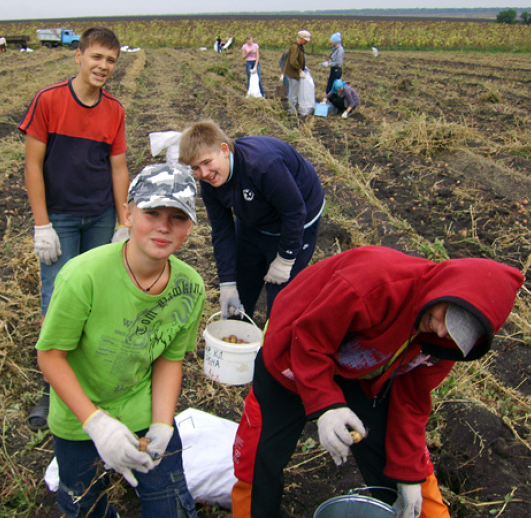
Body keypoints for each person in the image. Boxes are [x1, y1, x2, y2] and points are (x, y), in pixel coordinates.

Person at [230, 245, 524, 518]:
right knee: (262, 459)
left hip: (358, 370)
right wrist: (326, 405)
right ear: (445, 292)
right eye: (446, 316)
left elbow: (411, 403)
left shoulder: (441, 344)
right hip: (292, 352)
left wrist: (409, 476)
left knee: (393, 461)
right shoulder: (375, 282)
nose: (442, 332)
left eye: (456, 334)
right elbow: (308, 340)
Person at [36, 163, 205, 518]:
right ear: (127, 213)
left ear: (189, 227)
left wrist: (161, 423)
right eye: (152, 212)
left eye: (177, 217)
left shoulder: (190, 287)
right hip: (77, 412)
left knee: (171, 506)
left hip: (139, 405)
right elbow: (50, 357)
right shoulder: (83, 277)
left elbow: (169, 359)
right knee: (86, 507)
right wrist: (97, 424)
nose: (163, 226)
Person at [19, 27, 130, 432]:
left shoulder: (114, 110)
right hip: (61, 218)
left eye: (111, 61)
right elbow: (33, 164)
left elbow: (118, 167)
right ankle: (54, 392)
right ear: (79, 56)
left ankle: (90, 379)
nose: (103, 66)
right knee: (58, 297)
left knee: (96, 296)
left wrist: (123, 221)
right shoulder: (49, 100)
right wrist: (42, 224)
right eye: (97, 57)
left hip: (99, 215)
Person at [178, 120, 325, 322]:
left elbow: (294, 212)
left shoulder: (263, 165)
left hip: (297, 219)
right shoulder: (210, 184)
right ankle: (234, 342)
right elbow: (222, 232)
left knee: (280, 296)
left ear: (223, 149)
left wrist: (285, 259)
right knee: (242, 282)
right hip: (253, 219)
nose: (203, 174)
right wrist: (227, 284)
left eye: (206, 162)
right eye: (195, 168)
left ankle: (269, 348)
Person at [282, 30, 311, 115]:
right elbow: (292, 61)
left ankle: (293, 109)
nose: (306, 42)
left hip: (293, 72)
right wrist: (299, 70)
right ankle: (292, 112)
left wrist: (302, 66)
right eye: (305, 40)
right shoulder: (295, 47)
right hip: (292, 73)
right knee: (293, 94)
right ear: (301, 38)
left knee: (293, 92)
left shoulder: (299, 46)